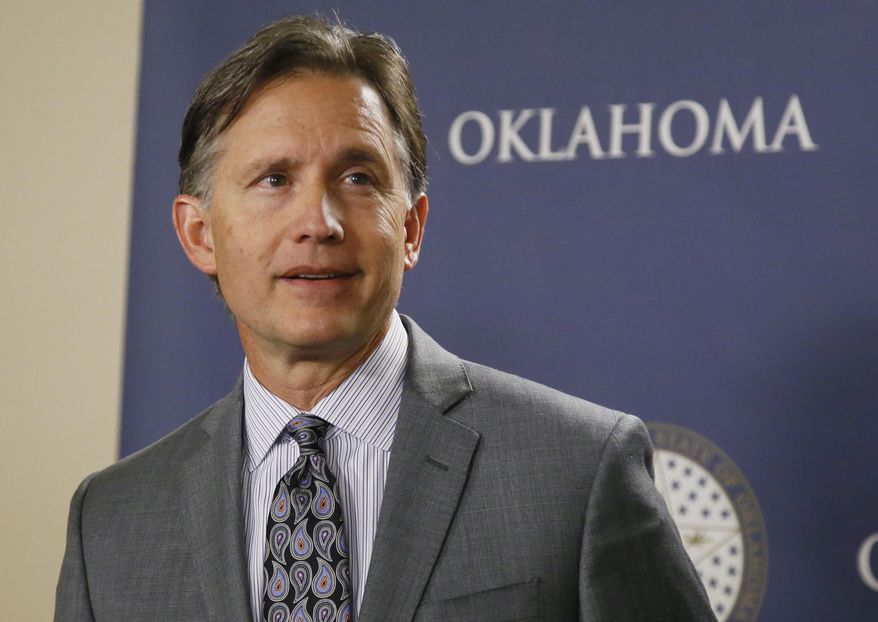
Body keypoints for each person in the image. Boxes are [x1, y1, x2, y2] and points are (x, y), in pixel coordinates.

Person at [55, 14, 715, 622]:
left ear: (412, 226)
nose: (320, 222)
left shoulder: (580, 471)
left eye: (358, 177)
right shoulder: (109, 521)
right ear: (199, 234)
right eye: (275, 180)